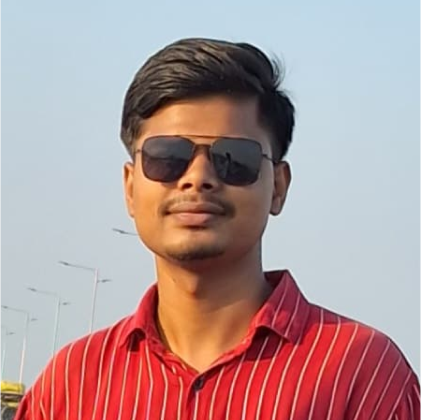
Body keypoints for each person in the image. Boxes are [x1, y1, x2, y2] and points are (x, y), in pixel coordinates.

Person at [16, 38, 420, 420]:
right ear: (130, 187)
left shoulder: (363, 375)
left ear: (278, 187)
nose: (198, 178)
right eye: (167, 156)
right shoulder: (70, 385)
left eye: (233, 158)